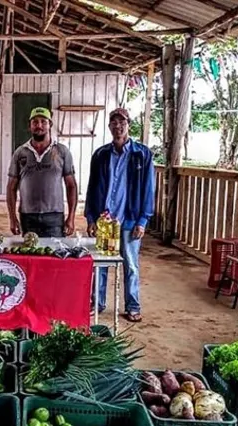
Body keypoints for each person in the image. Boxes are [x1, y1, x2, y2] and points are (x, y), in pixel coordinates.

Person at [84, 108, 155, 323]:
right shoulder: (101, 154)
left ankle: (132, 306)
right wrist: (90, 217)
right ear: (109, 127)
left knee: (130, 265)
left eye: (122, 122)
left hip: (130, 220)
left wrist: (143, 219)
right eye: (113, 122)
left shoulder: (142, 154)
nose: (118, 126)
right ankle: (98, 303)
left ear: (128, 125)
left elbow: (149, 189)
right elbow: (92, 187)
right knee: (101, 264)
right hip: (105, 221)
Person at [6, 107, 78, 237]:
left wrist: (71, 217)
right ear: (30, 126)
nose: (39, 125)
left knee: (54, 253)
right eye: (35, 122)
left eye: (43, 121)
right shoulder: (20, 153)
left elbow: (71, 186)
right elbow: (11, 187)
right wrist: (12, 218)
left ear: (50, 124)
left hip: (54, 217)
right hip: (28, 217)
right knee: (29, 255)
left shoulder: (62, 151)